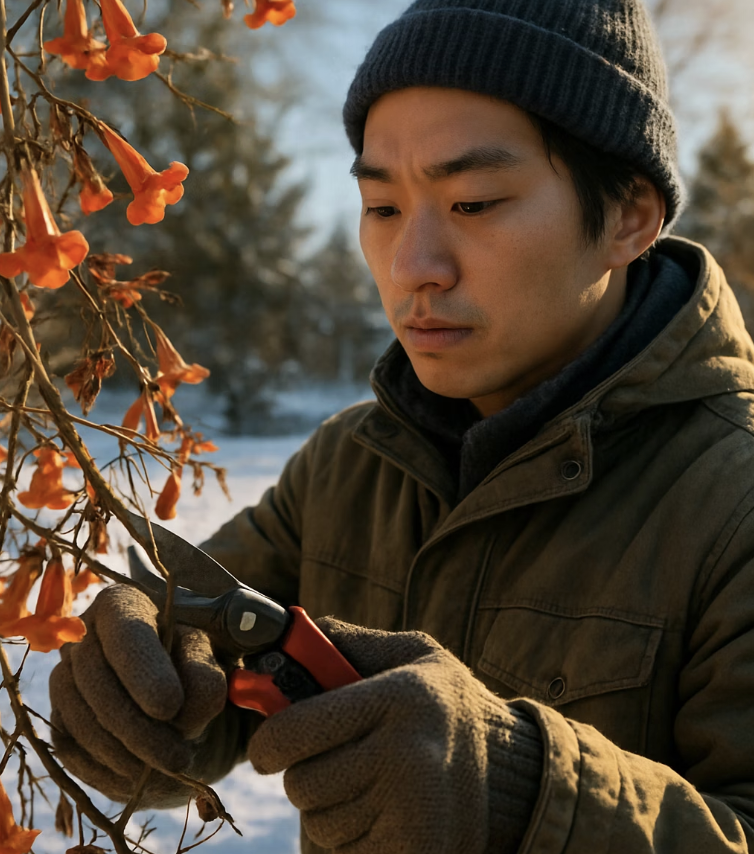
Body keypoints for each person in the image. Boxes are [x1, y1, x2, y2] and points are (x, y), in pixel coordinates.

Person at [49, 0, 754, 851]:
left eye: (475, 203)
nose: (413, 267)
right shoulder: (350, 465)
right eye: (382, 209)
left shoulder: (733, 500)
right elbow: (205, 690)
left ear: (630, 217)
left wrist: (519, 790)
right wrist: (131, 697)